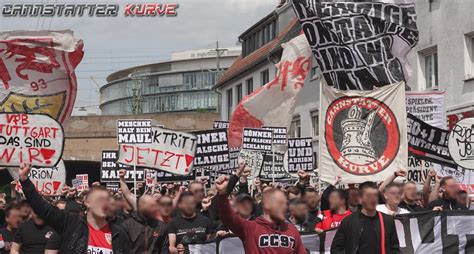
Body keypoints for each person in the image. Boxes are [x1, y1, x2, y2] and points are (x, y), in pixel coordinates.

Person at [18, 163, 130, 253]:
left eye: (108, 200)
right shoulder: (71, 224)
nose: (105, 204)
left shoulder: (119, 234)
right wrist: (25, 181)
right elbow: (43, 208)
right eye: (100, 199)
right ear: (87, 202)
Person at [216, 175, 306, 253]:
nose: (285, 207)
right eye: (280, 203)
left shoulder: (292, 230)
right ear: (267, 205)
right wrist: (222, 194)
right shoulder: (250, 228)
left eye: (285, 203)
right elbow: (228, 217)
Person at [331, 181, 400, 254]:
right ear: (360, 199)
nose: (373, 199)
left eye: (375, 195)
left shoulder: (387, 220)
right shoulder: (348, 222)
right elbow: (336, 249)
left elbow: (395, 248)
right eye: (369, 196)